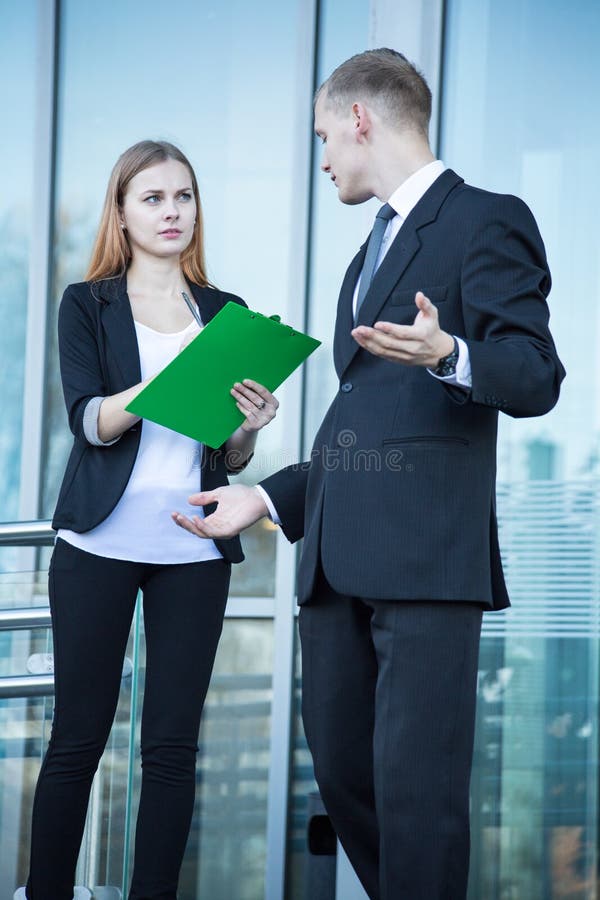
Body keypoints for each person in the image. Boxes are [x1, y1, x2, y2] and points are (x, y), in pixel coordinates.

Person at [173, 50, 565, 900]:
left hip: (427, 564)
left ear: (361, 120)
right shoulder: (368, 254)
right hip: (339, 569)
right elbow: (370, 425)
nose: (322, 159)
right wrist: (266, 496)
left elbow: (535, 374)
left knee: (419, 802)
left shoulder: (487, 220)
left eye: (324, 136)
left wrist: (453, 353)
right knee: (352, 787)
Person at [16, 140, 278, 900]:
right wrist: (164, 381)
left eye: (184, 197)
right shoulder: (87, 303)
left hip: (193, 547)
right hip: (98, 540)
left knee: (171, 749)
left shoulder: (225, 314)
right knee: (78, 738)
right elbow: (89, 422)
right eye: (153, 199)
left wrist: (251, 427)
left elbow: (223, 457)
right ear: (123, 215)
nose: (172, 212)